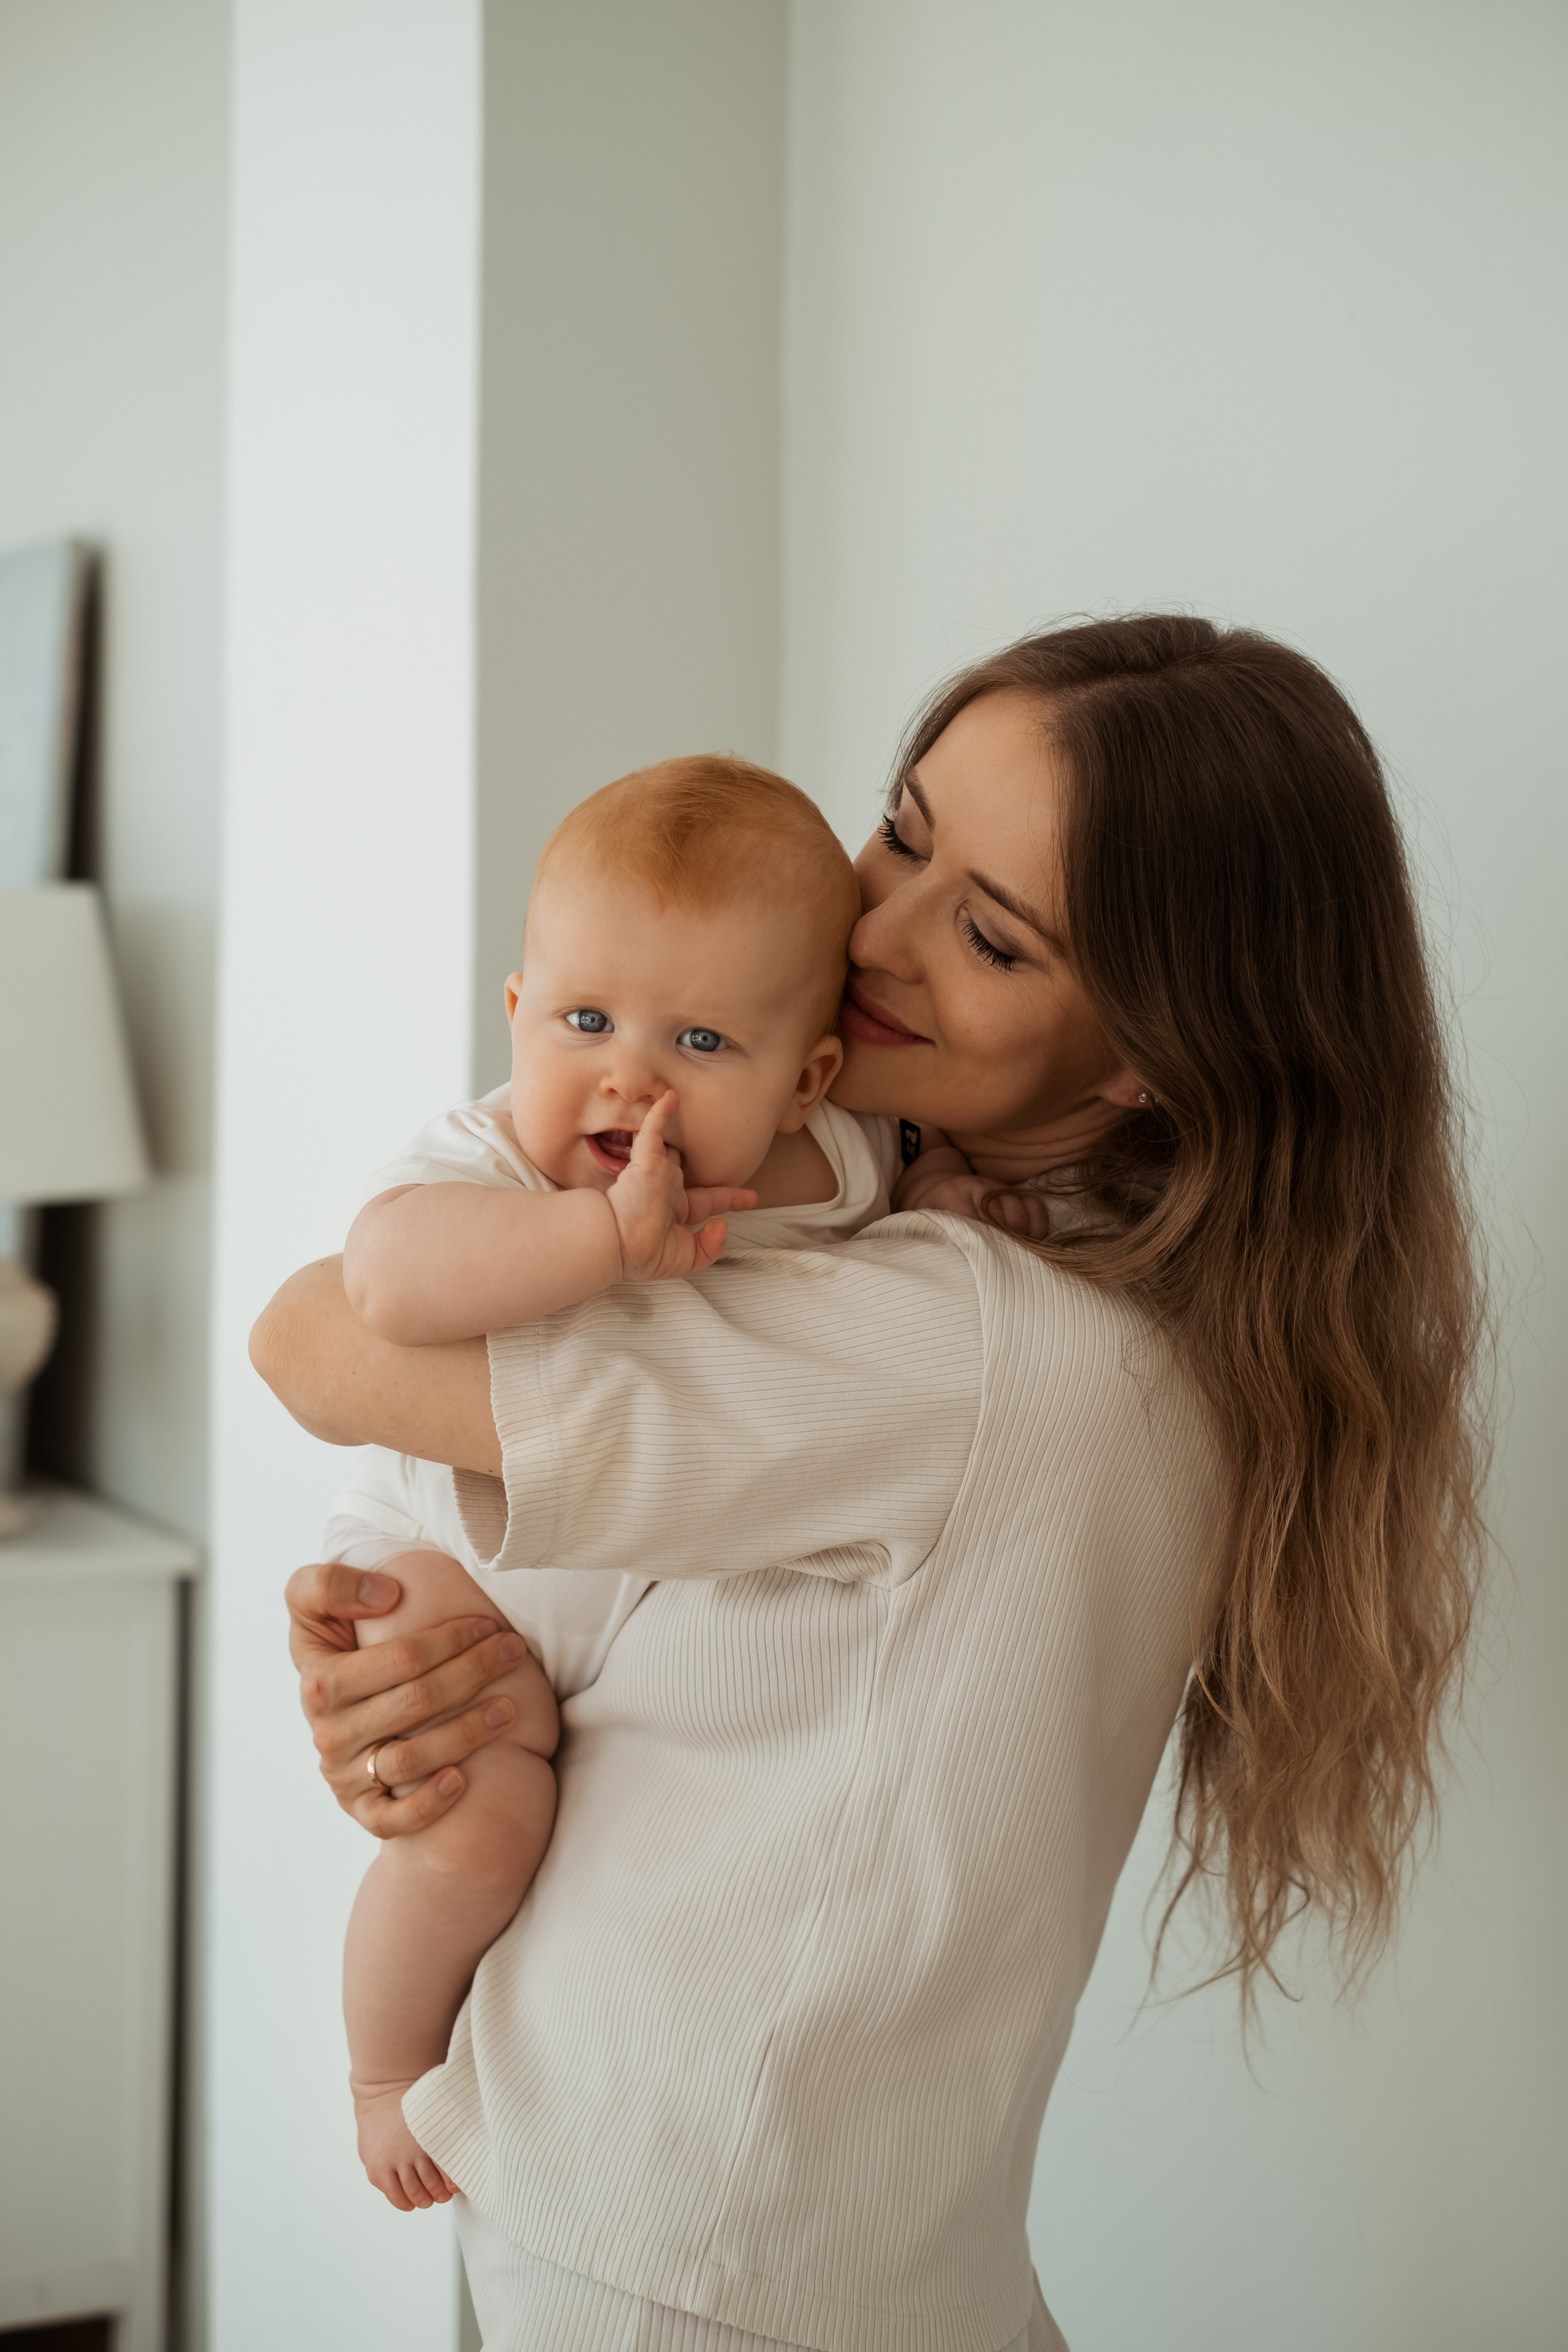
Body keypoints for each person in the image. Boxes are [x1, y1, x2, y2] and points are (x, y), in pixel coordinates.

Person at [254, 616, 1487, 2352]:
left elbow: (312, 1342)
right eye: (902, 835)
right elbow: (664, 1629)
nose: (877, 933)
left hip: (675, 2222)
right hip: (813, 2227)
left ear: (1151, 1049)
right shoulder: (1100, 1303)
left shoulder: (972, 1343)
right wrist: (427, 1666)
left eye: (987, 933)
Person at [325, 755, 906, 2209]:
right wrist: (599, 1246)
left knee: (550, 1812)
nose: (628, 1077)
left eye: (702, 1041)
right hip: (448, 1555)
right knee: (478, 1816)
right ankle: (386, 2070)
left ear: (807, 1080)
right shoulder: (496, 1162)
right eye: (582, 1020)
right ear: (517, 1015)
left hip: (620, 1587)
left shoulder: (840, 1172)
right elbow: (380, 1283)